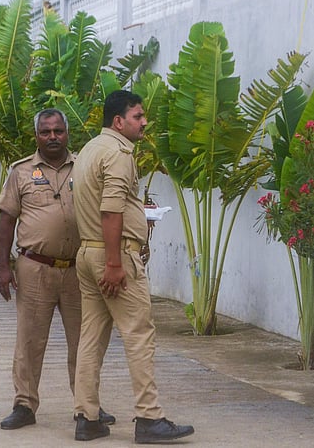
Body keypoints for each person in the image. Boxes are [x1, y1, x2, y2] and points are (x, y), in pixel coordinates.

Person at [70, 90, 194, 443]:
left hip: (88, 253)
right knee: (139, 334)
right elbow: (111, 211)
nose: (144, 123)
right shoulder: (118, 153)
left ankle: (86, 416)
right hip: (114, 256)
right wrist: (114, 263)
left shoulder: (90, 149)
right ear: (118, 121)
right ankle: (149, 417)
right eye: (138, 116)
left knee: (91, 336)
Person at [0, 108, 114, 430]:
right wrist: (3, 267)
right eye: (45, 132)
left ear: (67, 133)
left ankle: (88, 406)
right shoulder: (21, 172)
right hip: (35, 268)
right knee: (30, 341)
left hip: (80, 269)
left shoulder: (86, 166)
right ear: (36, 136)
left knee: (84, 341)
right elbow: (6, 220)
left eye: (58, 131)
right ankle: (24, 405)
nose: (52, 137)